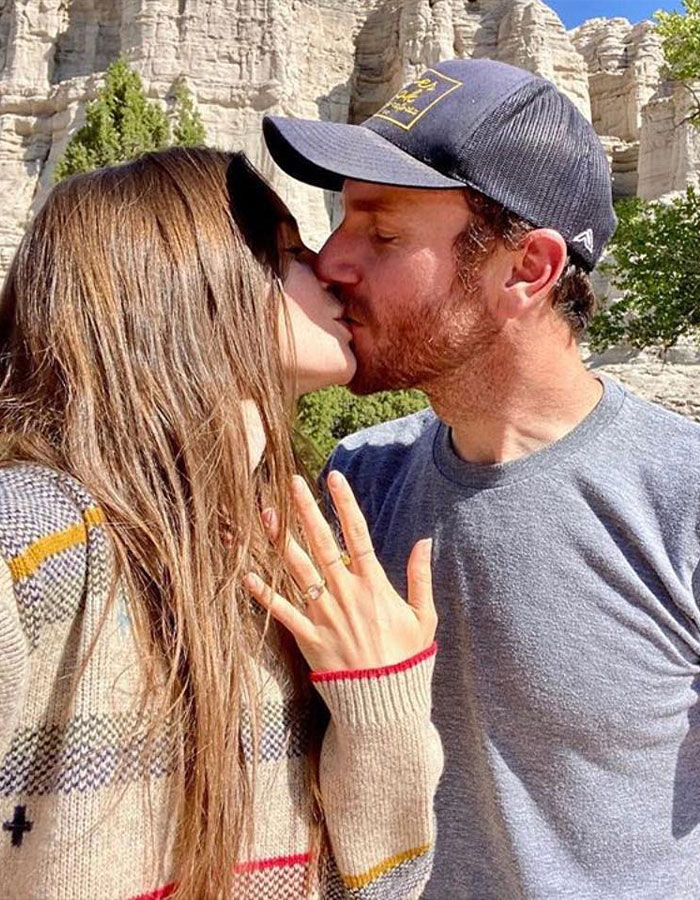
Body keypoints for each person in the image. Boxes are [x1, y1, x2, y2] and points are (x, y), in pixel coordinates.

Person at [263, 58, 700, 899]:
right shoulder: (358, 481)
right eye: (342, 222)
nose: (331, 261)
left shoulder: (681, 500)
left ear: (527, 270)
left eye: (381, 234)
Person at [0, 147, 443, 900]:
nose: (331, 268)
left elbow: (381, 886)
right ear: (183, 287)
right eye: (286, 254)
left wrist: (380, 699)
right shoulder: (38, 533)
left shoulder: (283, 554)